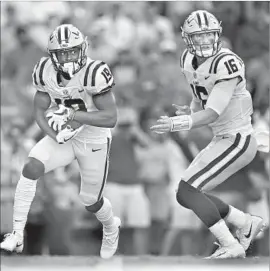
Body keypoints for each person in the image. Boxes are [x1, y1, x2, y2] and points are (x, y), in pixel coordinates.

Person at [150, 10, 266, 259]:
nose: (204, 41)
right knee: (186, 194)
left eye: (208, 35)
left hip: (237, 139)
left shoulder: (227, 62)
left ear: (218, 35)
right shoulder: (187, 59)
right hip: (224, 138)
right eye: (198, 36)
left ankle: (231, 243)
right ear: (187, 39)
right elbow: (199, 96)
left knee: (188, 191)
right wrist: (189, 112)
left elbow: (212, 112)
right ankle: (245, 223)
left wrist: (177, 123)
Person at [0, 24, 121, 259]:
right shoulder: (44, 70)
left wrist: (73, 115)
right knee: (31, 166)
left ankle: (110, 227)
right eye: (62, 53)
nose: (67, 57)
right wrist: (54, 134)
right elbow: (39, 111)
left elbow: (110, 118)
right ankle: (16, 233)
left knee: (90, 201)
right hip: (65, 134)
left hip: (93, 137)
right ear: (52, 55)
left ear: (82, 49)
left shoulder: (94, 72)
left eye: (72, 51)